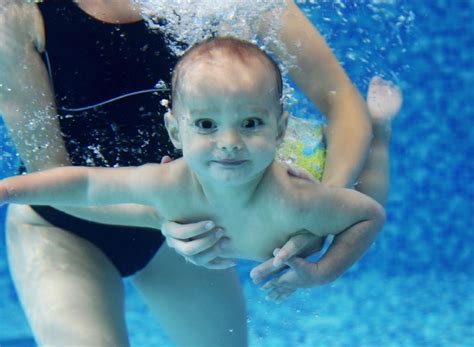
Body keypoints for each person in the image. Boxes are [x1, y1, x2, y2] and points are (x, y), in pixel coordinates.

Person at [0, 1, 374, 346]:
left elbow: (341, 101)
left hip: (190, 223)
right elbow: (54, 175)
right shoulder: (16, 12)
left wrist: (319, 210)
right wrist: (158, 216)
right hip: (65, 227)